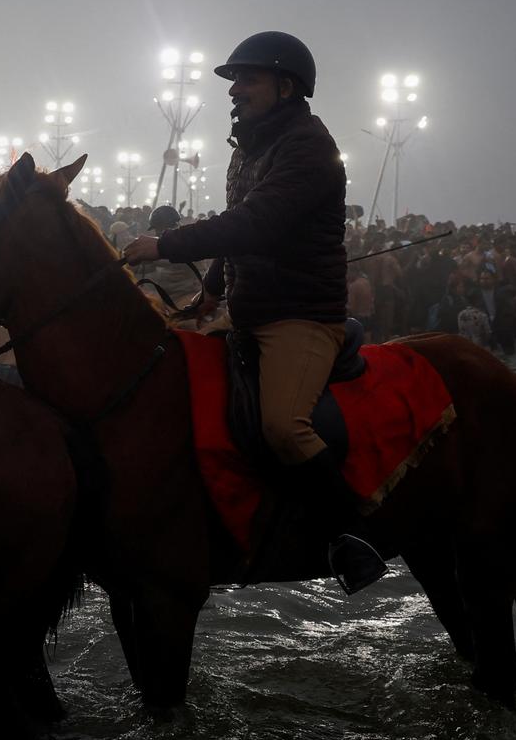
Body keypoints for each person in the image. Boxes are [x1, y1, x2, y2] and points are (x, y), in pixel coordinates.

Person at [122, 31, 385, 591]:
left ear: (285, 87)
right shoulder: (249, 148)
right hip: (245, 306)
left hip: (299, 315)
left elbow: (257, 223)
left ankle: (352, 536)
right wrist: (213, 289)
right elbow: (238, 229)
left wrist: (165, 245)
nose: (234, 90)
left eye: (247, 79)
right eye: (233, 81)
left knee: (284, 427)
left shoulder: (308, 147)